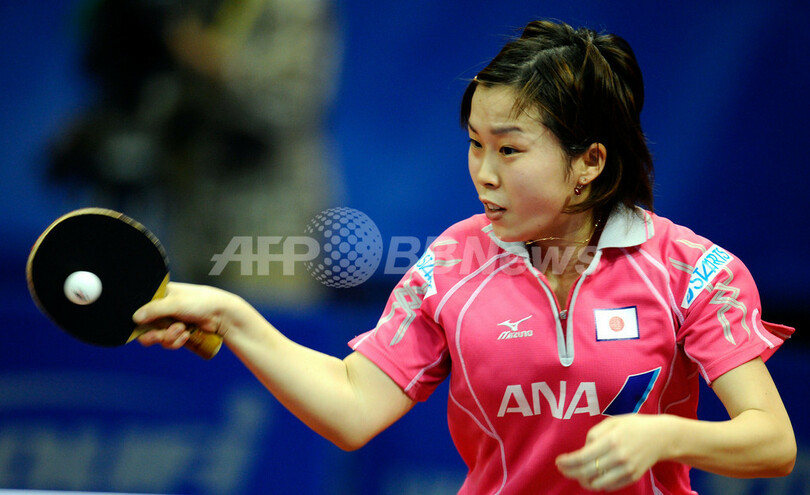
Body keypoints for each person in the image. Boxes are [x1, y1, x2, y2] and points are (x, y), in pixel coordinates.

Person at [134, 19, 796, 494]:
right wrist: (234, 316)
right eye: (475, 144)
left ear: (589, 161)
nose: (484, 172)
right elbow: (353, 406)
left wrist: (667, 437)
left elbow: (772, 441)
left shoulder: (692, 272)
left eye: (509, 149)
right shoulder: (452, 263)